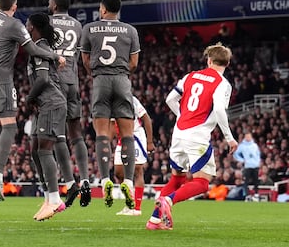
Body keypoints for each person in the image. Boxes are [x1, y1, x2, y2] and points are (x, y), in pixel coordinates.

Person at [0, 0, 65, 201]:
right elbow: (33, 49)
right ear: (14, 8)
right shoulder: (14, 25)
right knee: (9, 127)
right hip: (1, 81)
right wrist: (55, 56)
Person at [146, 43, 238, 230]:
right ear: (227, 64)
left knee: (177, 179)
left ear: (209, 60)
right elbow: (219, 109)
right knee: (202, 183)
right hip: (197, 135)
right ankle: (169, 202)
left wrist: (181, 115)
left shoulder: (190, 76)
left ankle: (154, 221)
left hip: (178, 133)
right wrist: (229, 137)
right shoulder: (222, 83)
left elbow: (170, 99)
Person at [80, 0, 140, 209]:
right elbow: (134, 62)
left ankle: (105, 180)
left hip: (101, 80)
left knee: (102, 134)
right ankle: (129, 182)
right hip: (122, 80)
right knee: (127, 135)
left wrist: (95, 74)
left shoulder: (89, 28)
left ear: (102, 9)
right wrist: (122, 73)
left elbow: (85, 60)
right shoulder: (130, 30)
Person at [48, 0, 92, 207]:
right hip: (73, 82)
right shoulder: (77, 25)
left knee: (58, 136)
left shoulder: (47, 22)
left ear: (54, 5)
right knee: (77, 134)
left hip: (54, 83)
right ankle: (85, 179)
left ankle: (70, 183)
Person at [25, 12, 70, 221]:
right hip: (45, 105)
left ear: (33, 27)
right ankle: (47, 197)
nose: (25, 27)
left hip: (51, 103)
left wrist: (29, 98)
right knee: (35, 151)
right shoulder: (39, 48)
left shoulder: (40, 49)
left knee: (44, 150)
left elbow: (42, 79)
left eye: (27, 24)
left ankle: (55, 198)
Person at [112, 95, 154, 216]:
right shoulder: (108, 101)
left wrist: (150, 142)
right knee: (118, 173)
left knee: (137, 170)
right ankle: (129, 204)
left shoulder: (131, 99)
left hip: (135, 136)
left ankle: (137, 208)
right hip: (121, 139)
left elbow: (146, 119)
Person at [233, 132, 261, 199]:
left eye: (249, 137)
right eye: (247, 137)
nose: (248, 138)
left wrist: (258, 162)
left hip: (255, 166)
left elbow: (258, 154)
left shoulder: (255, 145)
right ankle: (247, 195)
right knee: (246, 181)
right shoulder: (242, 146)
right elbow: (236, 154)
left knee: (256, 180)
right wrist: (242, 160)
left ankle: (256, 194)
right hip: (247, 166)